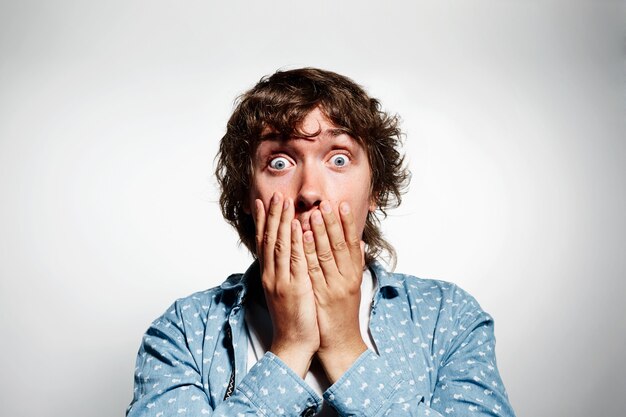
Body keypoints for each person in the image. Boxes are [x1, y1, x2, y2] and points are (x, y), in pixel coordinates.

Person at [126, 68, 516, 417]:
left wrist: (345, 346)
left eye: (339, 159)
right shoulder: (184, 330)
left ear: (375, 188)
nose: (309, 191)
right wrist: (291, 346)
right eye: (279, 162)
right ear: (247, 194)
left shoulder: (447, 318)